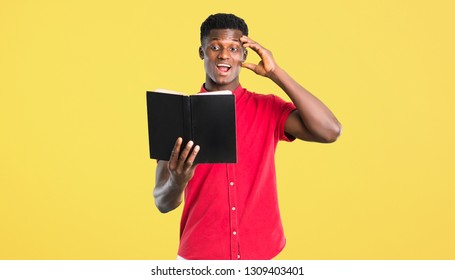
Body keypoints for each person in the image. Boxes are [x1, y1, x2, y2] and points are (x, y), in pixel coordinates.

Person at [153, 13, 341, 260]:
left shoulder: (268, 108)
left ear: (244, 55)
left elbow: (330, 131)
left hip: (263, 257)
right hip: (199, 259)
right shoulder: (178, 116)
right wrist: (178, 181)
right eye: (214, 47)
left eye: (233, 48)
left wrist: (276, 73)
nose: (224, 55)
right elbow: (162, 202)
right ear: (201, 52)